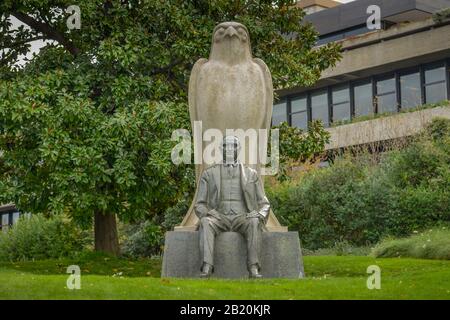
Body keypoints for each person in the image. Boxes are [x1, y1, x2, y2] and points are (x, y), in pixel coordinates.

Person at [194, 136, 270, 278]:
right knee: (205, 222)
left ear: (238, 149)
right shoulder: (209, 174)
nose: (229, 149)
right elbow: (199, 204)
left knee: (254, 222)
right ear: (220, 149)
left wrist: (259, 214)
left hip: (242, 217)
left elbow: (264, 203)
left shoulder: (251, 174)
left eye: (233, 145)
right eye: (225, 146)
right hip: (219, 217)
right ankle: (207, 267)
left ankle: (253, 268)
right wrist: (209, 213)